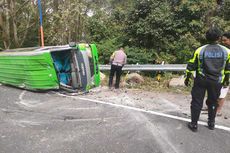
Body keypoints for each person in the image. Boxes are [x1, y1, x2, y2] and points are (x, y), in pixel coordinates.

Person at [184, 27, 230, 132]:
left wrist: (187, 78)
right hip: (217, 81)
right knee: (213, 101)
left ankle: (194, 124)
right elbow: (228, 68)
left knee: (197, 101)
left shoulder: (200, 50)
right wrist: (227, 80)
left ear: (206, 37)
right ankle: (211, 123)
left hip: (201, 79)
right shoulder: (227, 51)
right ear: (219, 38)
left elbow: (191, 66)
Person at [216, 32, 230, 116]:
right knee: (216, 90)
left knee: (223, 91)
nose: (223, 42)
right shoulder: (226, 49)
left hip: (227, 73)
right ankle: (212, 106)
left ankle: (218, 110)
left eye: (225, 40)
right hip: (221, 72)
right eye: (222, 41)